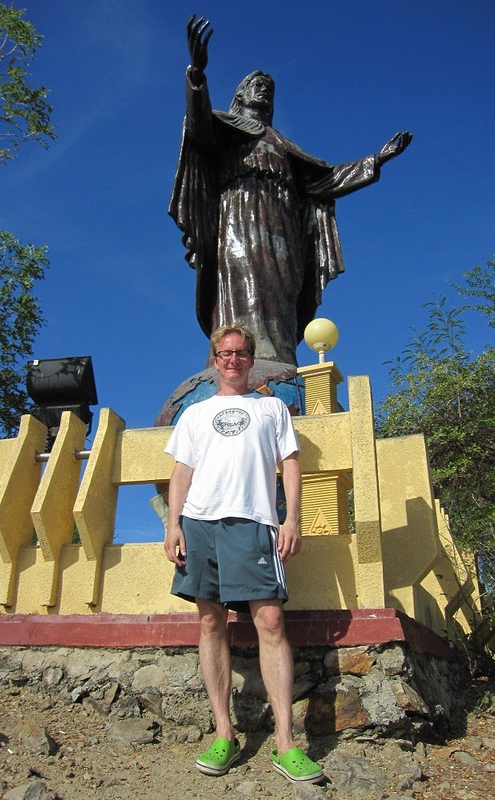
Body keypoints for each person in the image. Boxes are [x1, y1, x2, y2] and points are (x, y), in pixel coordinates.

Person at [169, 15, 412, 366]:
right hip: (239, 217)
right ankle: (232, 357)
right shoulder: (223, 126)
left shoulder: (285, 146)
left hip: (283, 226)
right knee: (244, 284)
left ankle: (280, 356)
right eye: (256, 82)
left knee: (279, 289)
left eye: (269, 85)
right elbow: (197, 125)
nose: (264, 87)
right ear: (240, 94)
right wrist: (197, 74)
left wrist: (377, 159)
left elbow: (325, 182)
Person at [163, 323, 324, 785]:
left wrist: (291, 518)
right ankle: (223, 731)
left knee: (270, 622)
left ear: (252, 360)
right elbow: (180, 474)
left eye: (240, 353)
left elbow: (289, 464)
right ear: (214, 360)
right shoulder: (194, 414)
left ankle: (286, 743)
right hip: (199, 524)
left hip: (254, 523)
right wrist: (173, 525)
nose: (232, 360)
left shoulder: (272, 408)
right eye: (224, 353)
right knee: (210, 622)